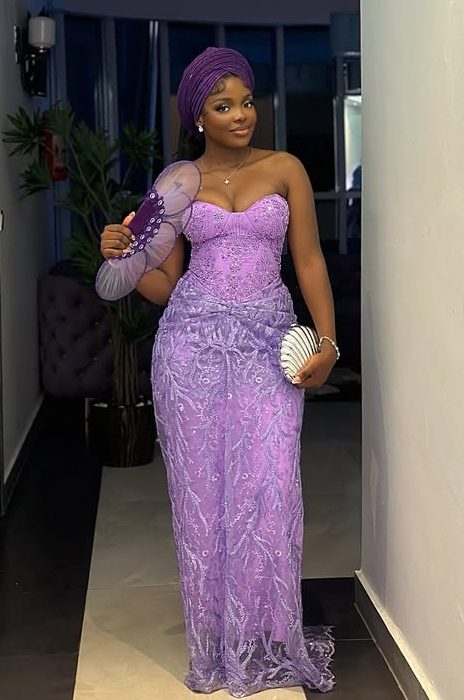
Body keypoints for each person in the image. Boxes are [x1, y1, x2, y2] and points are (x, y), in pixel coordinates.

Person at [100, 47, 338, 697]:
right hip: (192, 349)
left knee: (270, 487)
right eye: (224, 105)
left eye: (247, 101)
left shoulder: (285, 169)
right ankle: (218, 639)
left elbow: (310, 262)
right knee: (203, 498)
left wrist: (327, 342)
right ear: (198, 117)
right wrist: (120, 256)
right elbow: (162, 284)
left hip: (267, 347)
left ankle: (266, 634)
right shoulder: (177, 185)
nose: (241, 115)